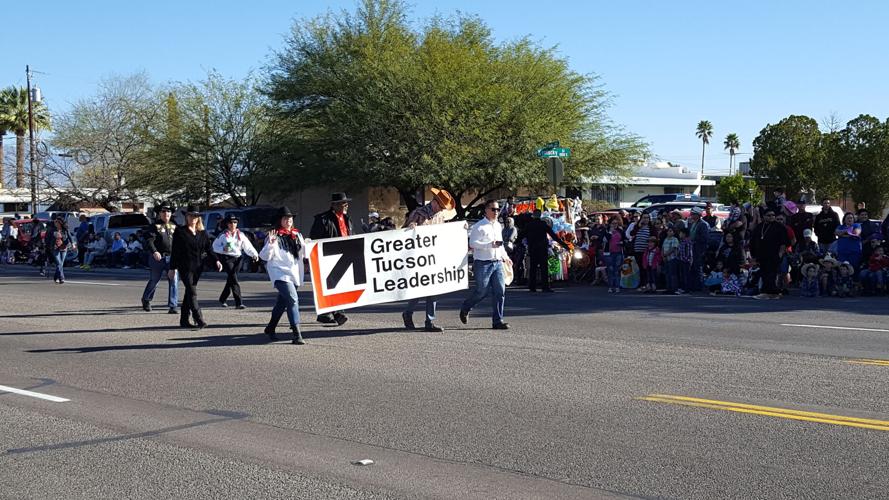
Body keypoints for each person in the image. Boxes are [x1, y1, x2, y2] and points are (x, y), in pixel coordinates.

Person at [401, 187, 455, 332]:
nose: (442, 210)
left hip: (433, 259)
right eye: (441, 206)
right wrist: (410, 227)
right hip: (418, 259)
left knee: (433, 290)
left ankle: (430, 321)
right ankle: (408, 313)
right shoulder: (418, 213)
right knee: (418, 290)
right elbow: (402, 235)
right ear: (435, 202)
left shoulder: (440, 217)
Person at [169, 205, 222, 329]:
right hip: (185, 267)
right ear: (186, 217)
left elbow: (209, 248)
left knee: (189, 292)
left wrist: (216, 260)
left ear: (198, 218)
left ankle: (184, 320)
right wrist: (172, 268)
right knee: (192, 292)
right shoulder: (180, 231)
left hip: (198, 267)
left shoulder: (202, 233)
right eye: (190, 215)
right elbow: (175, 251)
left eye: (195, 216)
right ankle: (199, 319)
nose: (193, 218)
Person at [459, 199, 509, 330]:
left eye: (498, 209)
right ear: (486, 210)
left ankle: (498, 320)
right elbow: (473, 243)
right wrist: (489, 245)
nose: (496, 212)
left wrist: (506, 257)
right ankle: (466, 307)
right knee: (482, 291)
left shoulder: (498, 225)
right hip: (483, 263)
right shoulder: (479, 226)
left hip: (497, 262)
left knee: (500, 291)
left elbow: (500, 245)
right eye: (493, 209)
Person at [259, 206, 306, 344]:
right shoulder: (274, 236)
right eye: (285, 218)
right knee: (292, 299)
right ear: (280, 220)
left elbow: (305, 253)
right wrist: (270, 244)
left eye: (290, 218)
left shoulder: (297, 235)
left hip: (294, 273)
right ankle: (297, 333)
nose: (288, 220)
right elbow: (264, 256)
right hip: (279, 273)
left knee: (282, 302)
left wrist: (310, 246)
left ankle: (271, 327)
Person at [310, 192, 353, 326]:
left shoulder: (347, 219)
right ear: (334, 205)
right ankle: (338, 312)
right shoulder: (323, 220)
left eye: (346, 203)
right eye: (343, 203)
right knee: (333, 285)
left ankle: (325, 313)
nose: (346, 205)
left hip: (345, 255)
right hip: (329, 256)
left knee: (340, 285)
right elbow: (314, 238)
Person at [213, 214, 260, 309]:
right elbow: (214, 246)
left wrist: (254, 255)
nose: (233, 224)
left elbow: (248, 247)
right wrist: (223, 249)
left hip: (238, 259)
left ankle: (222, 299)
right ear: (227, 224)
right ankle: (239, 303)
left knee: (231, 279)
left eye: (235, 222)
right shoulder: (223, 235)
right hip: (227, 259)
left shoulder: (241, 235)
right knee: (234, 279)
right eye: (230, 222)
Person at [518, 209, 569, 293]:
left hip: (533, 249)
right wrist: (564, 245)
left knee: (533, 268)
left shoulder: (529, 225)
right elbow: (554, 236)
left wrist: (516, 242)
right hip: (542, 249)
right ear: (540, 215)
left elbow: (521, 235)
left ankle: (532, 287)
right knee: (544, 268)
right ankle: (545, 287)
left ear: (533, 216)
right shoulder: (543, 224)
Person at [142, 204, 180, 314]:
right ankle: (146, 299)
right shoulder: (154, 226)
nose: (166, 213)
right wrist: (154, 251)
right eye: (163, 211)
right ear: (159, 213)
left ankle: (173, 305)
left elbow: (180, 241)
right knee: (154, 280)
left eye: (168, 211)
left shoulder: (175, 226)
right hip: (158, 258)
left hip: (172, 257)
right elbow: (149, 240)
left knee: (174, 280)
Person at [750, 210, 789, 299]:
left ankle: (771, 292)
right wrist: (754, 255)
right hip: (762, 255)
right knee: (764, 273)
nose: (772, 217)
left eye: (773, 215)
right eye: (769, 215)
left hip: (774, 255)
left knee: (771, 273)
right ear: (764, 216)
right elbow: (753, 241)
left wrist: (780, 254)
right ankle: (766, 292)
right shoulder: (760, 227)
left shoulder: (779, 227)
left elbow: (784, 242)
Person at [687, 207, 710, 291]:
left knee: (698, 267)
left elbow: (705, 238)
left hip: (699, 249)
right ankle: (693, 285)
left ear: (698, 215)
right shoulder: (693, 223)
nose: (691, 215)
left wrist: (694, 240)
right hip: (692, 248)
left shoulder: (703, 224)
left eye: (693, 214)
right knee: (693, 267)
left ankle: (699, 286)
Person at [48, 218, 72, 284]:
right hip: (55, 247)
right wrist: (46, 247)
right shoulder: (52, 230)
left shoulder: (65, 229)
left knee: (61, 264)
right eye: (55, 222)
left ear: (60, 223)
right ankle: (62, 278)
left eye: (57, 222)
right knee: (59, 263)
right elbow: (48, 238)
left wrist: (72, 243)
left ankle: (56, 277)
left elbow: (70, 236)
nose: (55, 223)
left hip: (63, 247)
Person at [661, 226, 680, 293]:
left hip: (672, 258)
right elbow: (662, 248)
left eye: (671, 231)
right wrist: (663, 256)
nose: (669, 232)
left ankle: (673, 288)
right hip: (666, 259)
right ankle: (668, 288)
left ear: (674, 232)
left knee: (673, 274)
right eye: (668, 231)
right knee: (667, 274)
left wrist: (666, 254)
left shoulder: (675, 239)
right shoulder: (665, 239)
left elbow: (673, 248)